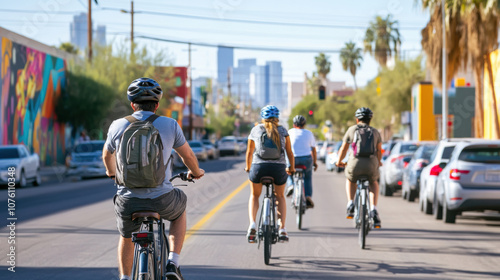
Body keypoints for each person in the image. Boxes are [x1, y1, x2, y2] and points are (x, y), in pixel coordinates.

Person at [102, 77, 205, 280]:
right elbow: (188, 156)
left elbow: (107, 156)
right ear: (157, 105)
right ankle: (173, 263)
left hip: (128, 200)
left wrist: (112, 173)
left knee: (126, 236)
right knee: (179, 210)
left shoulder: (117, 125)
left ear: (132, 104)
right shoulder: (169, 124)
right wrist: (196, 171)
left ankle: (125, 278)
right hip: (162, 198)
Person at [244, 105, 295, 243]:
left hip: (258, 168)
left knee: (254, 195)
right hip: (278, 169)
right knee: (280, 196)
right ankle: (282, 228)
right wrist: (292, 168)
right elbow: (289, 152)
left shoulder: (256, 129)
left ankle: (252, 224)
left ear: (263, 117)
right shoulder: (283, 130)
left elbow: (249, 152)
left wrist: (248, 167)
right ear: (277, 118)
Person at [335, 107, 383, 228]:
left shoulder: (352, 130)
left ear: (357, 120)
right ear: (370, 120)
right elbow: (379, 151)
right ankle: (373, 209)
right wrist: (379, 162)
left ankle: (350, 203)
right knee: (373, 182)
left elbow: (344, 148)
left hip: (355, 163)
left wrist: (339, 161)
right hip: (371, 164)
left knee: (350, 179)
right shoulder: (375, 132)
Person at [286, 115, 318, 208]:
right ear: (304, 124)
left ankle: (291, 185)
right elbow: (313, 150)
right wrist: (314, 163)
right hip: (306, 160)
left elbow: (286, 148)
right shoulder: (309, 133)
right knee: (307, 177)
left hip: (293, 159)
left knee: (289, 172)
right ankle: (308, 196)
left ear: (294, 124)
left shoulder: (290, 132)